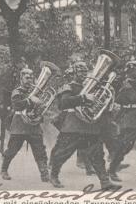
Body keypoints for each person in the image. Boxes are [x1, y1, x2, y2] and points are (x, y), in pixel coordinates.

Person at [49, 60, 121, 189]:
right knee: (62, 154)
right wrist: (82, 98)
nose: (83, 74)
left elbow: (98, 105)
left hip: (90, 127)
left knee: (98, 155)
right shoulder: (68, 87)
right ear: (74, 73)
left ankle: (105, 182)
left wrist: (109, 107)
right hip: (73, 126)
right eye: (80, 71)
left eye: (85, 71)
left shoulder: (94, 87)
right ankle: (54, 175)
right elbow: (63, 104)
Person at [0, 67, 49, 182]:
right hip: (19, 126)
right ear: (21, 78)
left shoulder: (36, 90)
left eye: (31, 78)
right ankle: (4, 169)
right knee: (12, 149)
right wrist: (30, 100)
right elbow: (17, 105)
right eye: (27, 77)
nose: (30, 80)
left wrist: (41, 105)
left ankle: (44, 174)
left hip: (33, 125)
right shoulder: (17, 91)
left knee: (40, 150)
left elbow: (39, 106)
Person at [107, 58, 136, 181]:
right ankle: (112, 169)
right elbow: (135, 98)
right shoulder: (127, 84)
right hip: (131, 119)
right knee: (124, 147)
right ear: (130, 71)